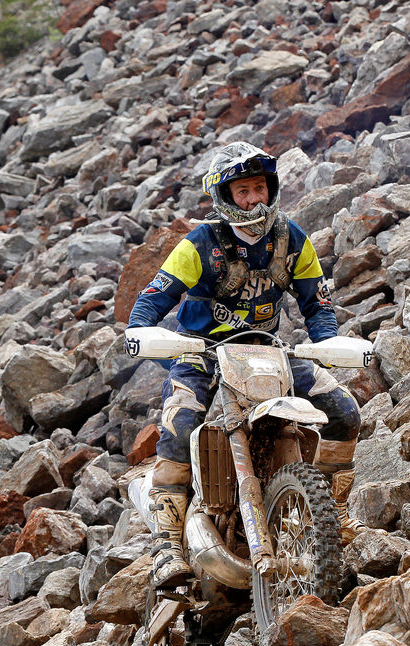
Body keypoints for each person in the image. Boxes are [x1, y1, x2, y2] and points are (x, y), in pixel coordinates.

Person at [124, 141, 371, 588]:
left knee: (345, 412)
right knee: (179, 426)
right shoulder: (199, 243)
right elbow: (152, 299)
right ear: (225, 198)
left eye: (260, 187)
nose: (254, 198)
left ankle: (329, 515)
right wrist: (140, 331)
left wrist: (326, 344)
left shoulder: (293, 239)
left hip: (266, 350)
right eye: (243, 191)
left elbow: (317, 306)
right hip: (201, 354)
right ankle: (167, 547)